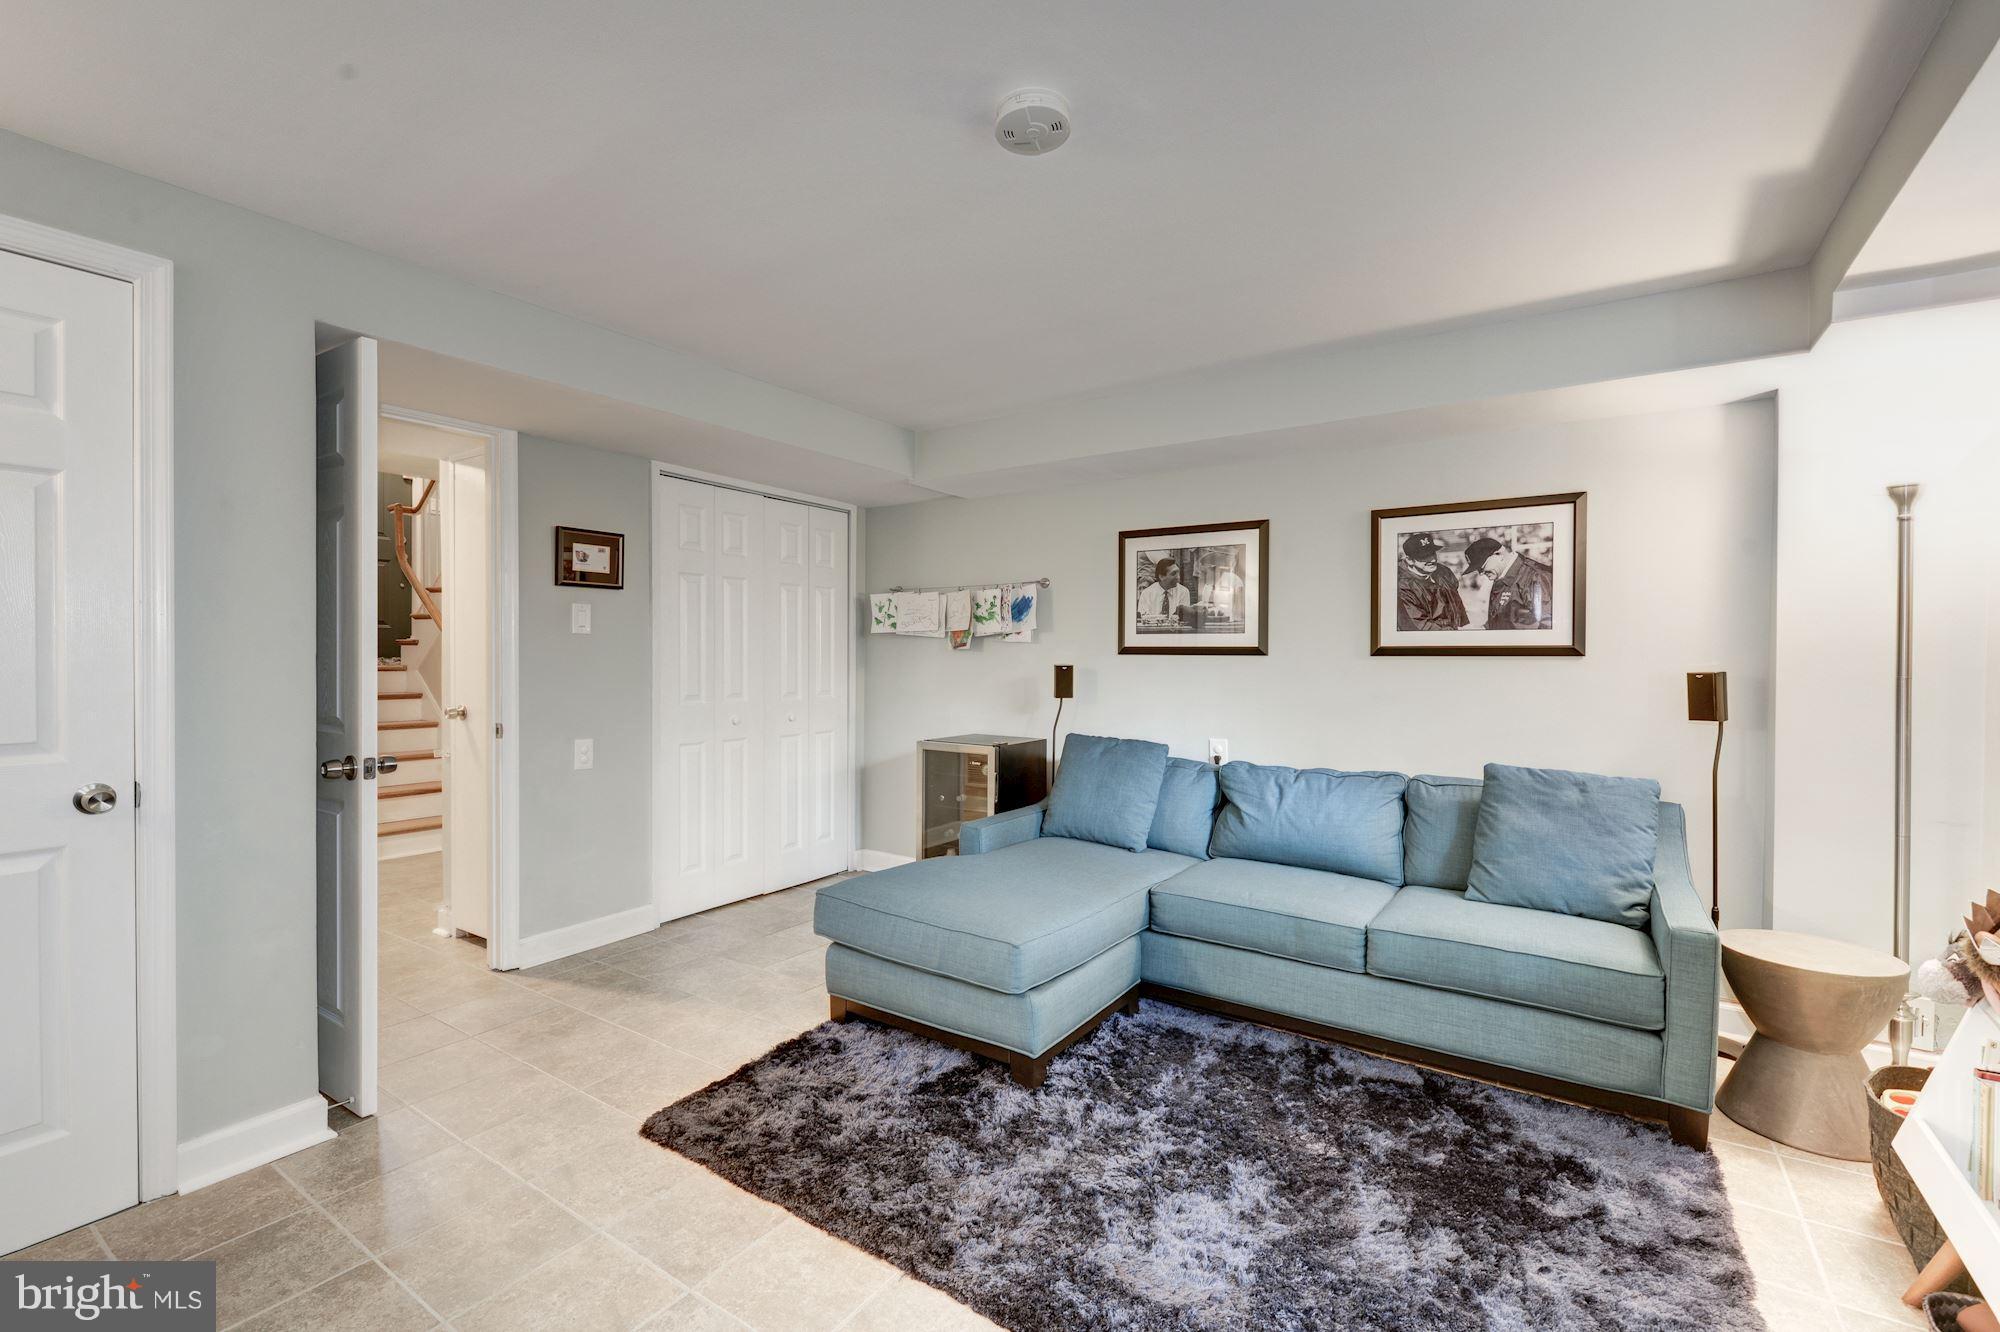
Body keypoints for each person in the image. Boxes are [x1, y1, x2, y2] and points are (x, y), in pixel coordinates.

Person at [1463, 536, 1555, 630]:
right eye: (1478, 569)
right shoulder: (1500, 577)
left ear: (1499, 554)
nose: (1481, 573)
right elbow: (1501, 616)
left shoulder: (1535, 576)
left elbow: (1549, 626)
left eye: (1482, 566)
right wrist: (1483, 628)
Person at [1395, 533, 1469, 631]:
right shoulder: (1402, 586)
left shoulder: (1444, 572)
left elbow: (1457, 603)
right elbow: (1418, 626)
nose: (1433, 560)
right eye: (1424, 556)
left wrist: (1464, 626)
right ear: (1410, 560)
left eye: (1432, 553)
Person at [1138, 557, 1191, 623]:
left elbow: (1183, 618)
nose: (1178, 577)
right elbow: (1144, 619)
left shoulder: (1183, 592)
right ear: (1161, 577)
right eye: (1173, 574)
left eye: (1178, 573)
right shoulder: (1147, 593)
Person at [1200, 550, 1246, 622]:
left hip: (1230, 624)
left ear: (1215, 569)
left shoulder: (1234, 581)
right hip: (1210, 623)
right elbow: (1205, 606)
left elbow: (1240, 612)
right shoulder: (1207, 586)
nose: (1200, 576)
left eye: (1204, 572)